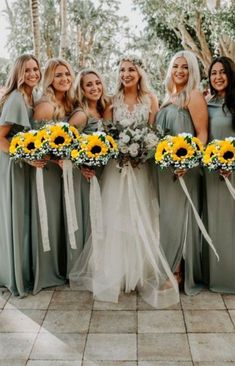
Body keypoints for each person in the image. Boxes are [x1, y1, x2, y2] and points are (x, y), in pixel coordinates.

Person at [70, 56, 179, 309]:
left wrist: (141, 150)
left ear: (140, 73)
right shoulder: (111, 101)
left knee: (140, 215)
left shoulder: (151, 99)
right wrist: (120, 151)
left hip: (140, 169)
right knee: (115, 216)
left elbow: (153, 133)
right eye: (121, 70)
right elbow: (107, 135)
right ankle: (115, 274)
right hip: (116, 170)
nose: (126, 74)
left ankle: (139, 273)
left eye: (131, 70)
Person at [156, 50, 208, 295]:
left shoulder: (194, 96)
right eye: (176, 66)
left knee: (181, 218)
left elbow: (202, 134)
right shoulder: (167, 97)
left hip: (185, 168)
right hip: (166, 170)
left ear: (192, 72)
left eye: (185, 67)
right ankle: (169, 266)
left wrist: (188, 161)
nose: (179, 71)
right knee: (167, 218)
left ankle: (178, 272)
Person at [31, 58, 75, 293]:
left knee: (60, 218)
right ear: (49, 79)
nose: (64, 79)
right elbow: (35, 144)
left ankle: (62, 267)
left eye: (67, 74)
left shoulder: (67, 103)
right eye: (58, 75)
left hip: (61, 171)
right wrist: (53, 158)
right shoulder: (46, 105)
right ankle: (47, 271)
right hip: (46, 171)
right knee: (47, 217)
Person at [0, 54, 41, 296]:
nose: (33, 73)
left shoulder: (30, 98)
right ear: (19, 73)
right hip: (10, 163)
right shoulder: (16, 99)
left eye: (36, 69)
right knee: (14, 217)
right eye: (28, 70)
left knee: (20, 217)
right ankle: (12, 275)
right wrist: (23, 156)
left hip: (20, 161)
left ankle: (20, 269)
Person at [66, 68, 109, 276]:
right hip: (84, 175)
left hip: (103, 174)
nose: (95, 88)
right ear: (81, 90)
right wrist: (81, 165)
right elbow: (65, 145)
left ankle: (98, 263)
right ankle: (82, 267)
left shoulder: (103, 111)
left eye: (97, 83)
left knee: (99, 218)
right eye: (89, 84)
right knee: (86, 218)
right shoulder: (81, 114)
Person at [203, 56, 235, 293]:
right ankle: (217, 276)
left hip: (233, 170)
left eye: (222, 72)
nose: (218, 77)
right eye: (214, 73)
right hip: (212, 173)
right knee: (216, 223)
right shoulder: (207, 104)